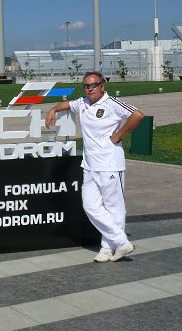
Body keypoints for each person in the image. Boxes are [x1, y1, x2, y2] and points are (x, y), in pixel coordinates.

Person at [45, 71, 144, 262]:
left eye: (94, 85)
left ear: (102, 86)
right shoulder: (83, 103)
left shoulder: (112, 103)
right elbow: (68, 104)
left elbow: (138, 115)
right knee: (90, 206)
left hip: (110, 164)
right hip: (89, 165)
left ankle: (108, 248)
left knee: (114, 208)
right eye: (86, 86)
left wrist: (118, 135)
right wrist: (53, 110)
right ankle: (121, 242)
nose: (90, 89)